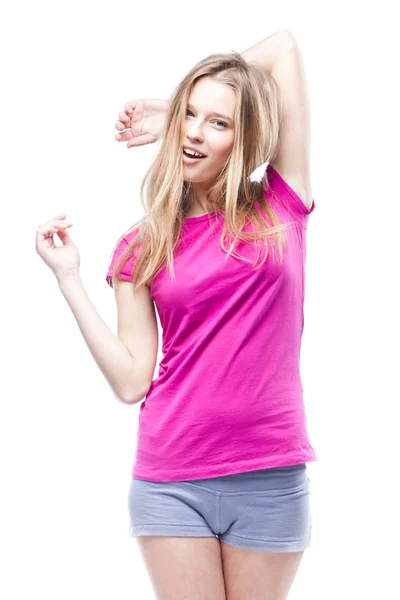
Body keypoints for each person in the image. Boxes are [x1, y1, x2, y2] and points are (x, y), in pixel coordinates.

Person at [36, 30, 316, 600]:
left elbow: (284, 48)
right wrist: (69, 278)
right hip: (172, 478)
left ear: (245, 140)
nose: (193, 132)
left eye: (218, 122)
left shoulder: (282, 204)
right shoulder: (143, 244)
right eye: (189, 116)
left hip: (272, 477)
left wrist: (173, 102)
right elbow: (132, 380)